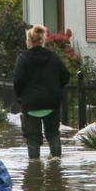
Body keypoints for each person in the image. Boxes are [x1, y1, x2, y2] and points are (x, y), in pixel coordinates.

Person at [13, 23, 70, 159]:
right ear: (42, 40)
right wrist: (55, 89)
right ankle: (56, 166)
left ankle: (34, 169)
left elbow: (18, 81)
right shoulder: (53, 57)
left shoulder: (23, 59)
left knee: (32, 138)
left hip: (30, 104)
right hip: (51, 103)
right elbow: (66, 76)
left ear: (29, 41)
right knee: (53, 134)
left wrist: (21, 97)